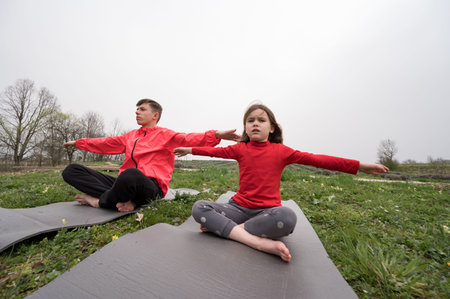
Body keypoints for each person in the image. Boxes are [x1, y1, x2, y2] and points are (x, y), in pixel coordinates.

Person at [174, 103, 389, 262]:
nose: (255, 123)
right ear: (246, 129)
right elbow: (213, 152)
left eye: (261, 120)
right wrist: (189, 149)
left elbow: (318, 159)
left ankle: (229, 230)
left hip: (267, 213)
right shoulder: (239, 148)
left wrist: (360, 165)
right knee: (200, 207)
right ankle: (256, 242)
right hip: (237, 208)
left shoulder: (282, 152)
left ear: (272, 128)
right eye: (250, 121)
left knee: (287, 218)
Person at [62, 98, 240, 212]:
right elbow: (104, 143)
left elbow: (190, 138)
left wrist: (216, 134)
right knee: (72, 170)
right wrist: (79, 143)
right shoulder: (130, 136)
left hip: (150, 187)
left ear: (155, 115)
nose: (137, 112)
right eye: (137, 109)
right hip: (123, 183)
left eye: (142, 109)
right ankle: (122, 198)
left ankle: (98, 202)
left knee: (130, 175)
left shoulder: (166, 135)